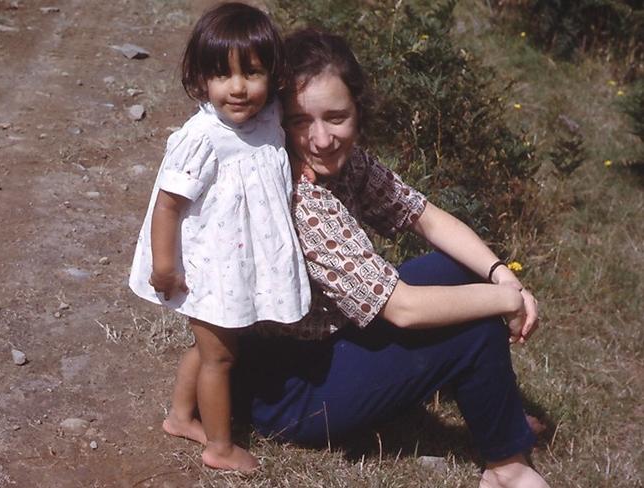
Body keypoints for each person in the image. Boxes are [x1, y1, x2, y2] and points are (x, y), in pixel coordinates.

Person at [231, 29, 551, 487]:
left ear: (358, 112)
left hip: (323, 345)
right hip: (290, 393)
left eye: (336, 117)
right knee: (476, 320)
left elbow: (427, 218)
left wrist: (503, 277)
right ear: (278, 118)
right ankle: (508, 468)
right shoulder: (303, 199)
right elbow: (402, 310)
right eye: (301, 121)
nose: (321, 139)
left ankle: (490, 401)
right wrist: (505, 301)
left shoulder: (348, 165)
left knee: (461, 270)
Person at [128, 3, 310, 472]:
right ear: (200, 78)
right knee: (220, 358)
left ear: (271, 75)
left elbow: (280, 150)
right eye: (222, 75)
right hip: (207, 266)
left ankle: (179, 416)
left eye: (251, 72)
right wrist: (164, 267)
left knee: (212, 346)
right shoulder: (203, 137)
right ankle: (219, 446)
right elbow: (168, 204)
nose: (237, 88)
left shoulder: (269, 116)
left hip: (237, 263)